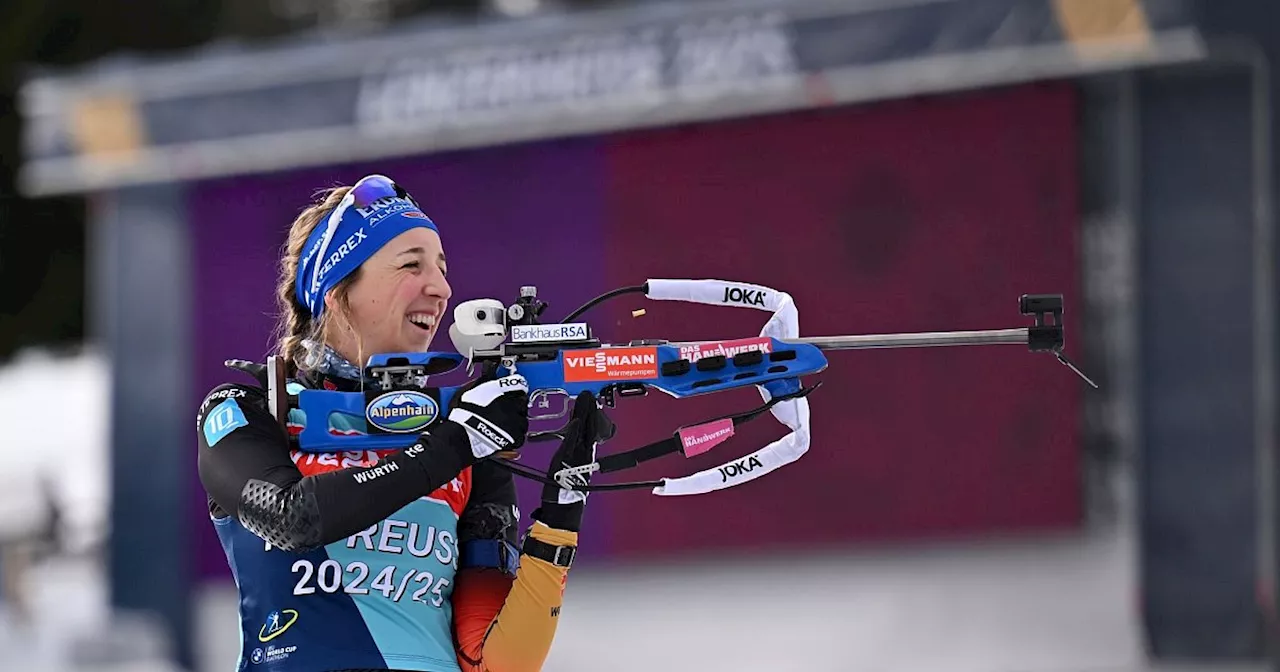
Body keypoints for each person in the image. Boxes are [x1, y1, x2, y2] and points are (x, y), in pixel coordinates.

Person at [195, 174, 610, 672]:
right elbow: (291, 517)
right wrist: (456, 443)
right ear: (336, 289)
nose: (441, 288)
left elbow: (495, 662)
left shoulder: (461, 440)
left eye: (441, 267)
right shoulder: (247, 409)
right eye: (411, 265)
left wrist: (562, 512)